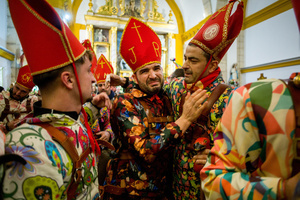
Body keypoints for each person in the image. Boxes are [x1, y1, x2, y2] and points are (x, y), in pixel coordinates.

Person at [2, 0, 110, 199]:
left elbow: (66, 123)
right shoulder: (29, 149)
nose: (94, 78)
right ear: (68, 80)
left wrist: (93, 108)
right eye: (88, 71)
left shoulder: (63, 119)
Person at [102, 17, 208, 199]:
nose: (153, 75)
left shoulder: (165, 97)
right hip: (130, 192)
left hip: (165, 190)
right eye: (144, 71)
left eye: (156, 68)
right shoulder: (123, 102)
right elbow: (145, 152)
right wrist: (184, 119)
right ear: (135, 77)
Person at [162, 1, 244, 199]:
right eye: (185, 58)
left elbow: (246, 149)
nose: (185, 65)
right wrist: (123, 81)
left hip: (208, 189)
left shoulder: (231, 98)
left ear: (213, 64)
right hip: (176, 186)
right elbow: (153, 86)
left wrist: (221, 157)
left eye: (193, 60)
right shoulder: (176, 87)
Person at [200, 73, 300, 199]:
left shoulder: (246, 94)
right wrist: (284, 189)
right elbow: (213, 181)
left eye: (193, 60)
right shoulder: (258, 96)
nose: (185, 65)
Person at [0, 65, 38, 133]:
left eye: (23, 91)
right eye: (17, 88)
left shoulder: (34, 102)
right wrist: (6, 127)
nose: (17, 93)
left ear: (29, 91)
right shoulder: (1, 98)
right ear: (14, 84)